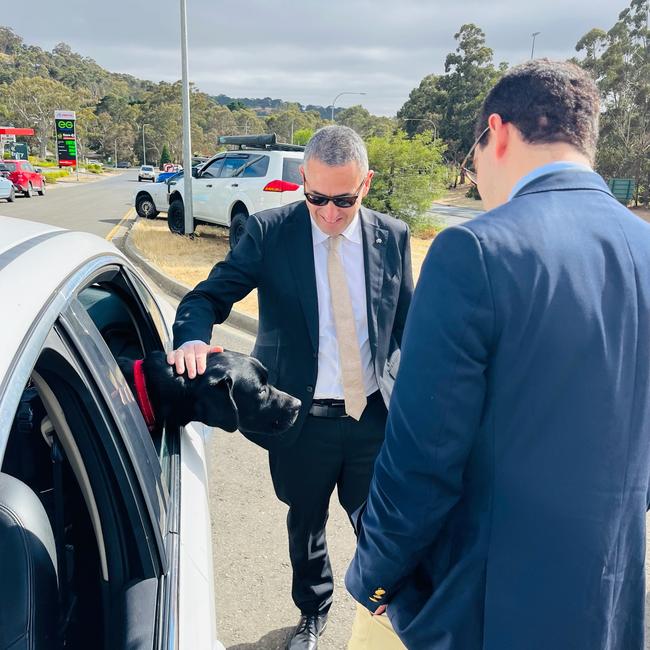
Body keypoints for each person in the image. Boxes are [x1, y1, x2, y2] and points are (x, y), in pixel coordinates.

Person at [345, 59, 650, 650]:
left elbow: (421, 459)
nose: (477, 173)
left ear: (498, 132)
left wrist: (374, 577)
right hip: (607, 595)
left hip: (485, 606)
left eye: (473, 154)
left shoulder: (476, 251)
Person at [168, 125, 413, 649]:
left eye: (343, 200)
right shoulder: (268, 232)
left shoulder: (393, 237)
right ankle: (313, 612)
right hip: (300, 418)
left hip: (373, 416)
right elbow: (207, 297)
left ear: (366, 184)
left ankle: (386, 616)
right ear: (303, 179)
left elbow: (405, 327)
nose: (328, 213)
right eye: (316, 197)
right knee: (306, 524)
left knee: (384, 527)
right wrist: (191, 339)